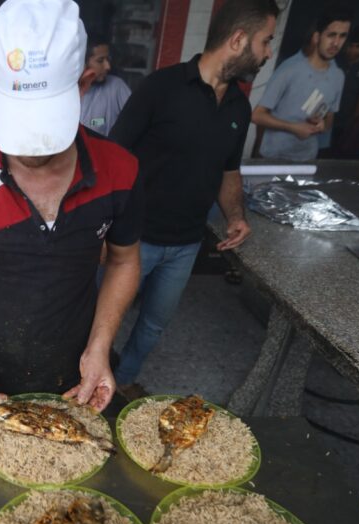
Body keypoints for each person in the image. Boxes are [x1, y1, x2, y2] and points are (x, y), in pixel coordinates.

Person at [0, 0, 142, 417]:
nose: (32, 150)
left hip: (76, 375)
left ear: (84, 83)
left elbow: (124, 261)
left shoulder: (120, 169)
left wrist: (100, 347)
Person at [108, 0, 277, 397]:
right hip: (134, 239)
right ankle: (86, 383)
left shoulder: (239, 106)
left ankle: (123, 381)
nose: (268, 52)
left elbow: (228, 171)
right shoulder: (161, 88)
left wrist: (235, 215)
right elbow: (114, 156)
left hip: (185, 244)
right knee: (104, 319)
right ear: (238, 39)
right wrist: (104, 229)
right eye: (266, 41)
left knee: (153, 325)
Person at [252, 5, 351, 161]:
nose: (336, 43)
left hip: (307, 158)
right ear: (317, 36)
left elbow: (329, 120)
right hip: (274, 156)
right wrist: (293, 127)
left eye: (342, 36)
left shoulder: (338, 76)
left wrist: (322, 125)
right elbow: (257, 116)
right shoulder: (290, 69)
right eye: (331, 35)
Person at [79, 34, 131, 136]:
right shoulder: (63, 91)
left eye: (108, 60)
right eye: (100, 61)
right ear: (82, 62)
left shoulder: (116, 87)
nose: (107, 66)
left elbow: (136, 121)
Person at [333, 23, 359, 146]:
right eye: (350, 45)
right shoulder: (336, 59)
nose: (352, 50)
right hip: (325, 115)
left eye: (358, 46)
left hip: (345, 120)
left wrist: (354, 124)